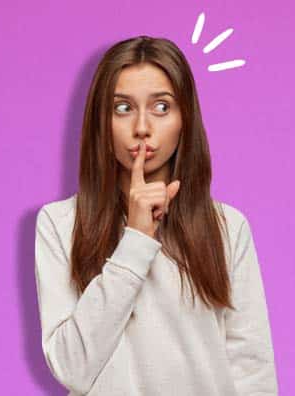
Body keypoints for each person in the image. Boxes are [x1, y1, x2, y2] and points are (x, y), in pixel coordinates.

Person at [33, 35, 278, 395]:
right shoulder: (60, 224)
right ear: (101, 121)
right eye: (123, 108)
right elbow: (72, 368)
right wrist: (135, 239)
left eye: (162, 107)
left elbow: (251, 369)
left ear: (185, 119)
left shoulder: (226, 227)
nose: (142, 127)